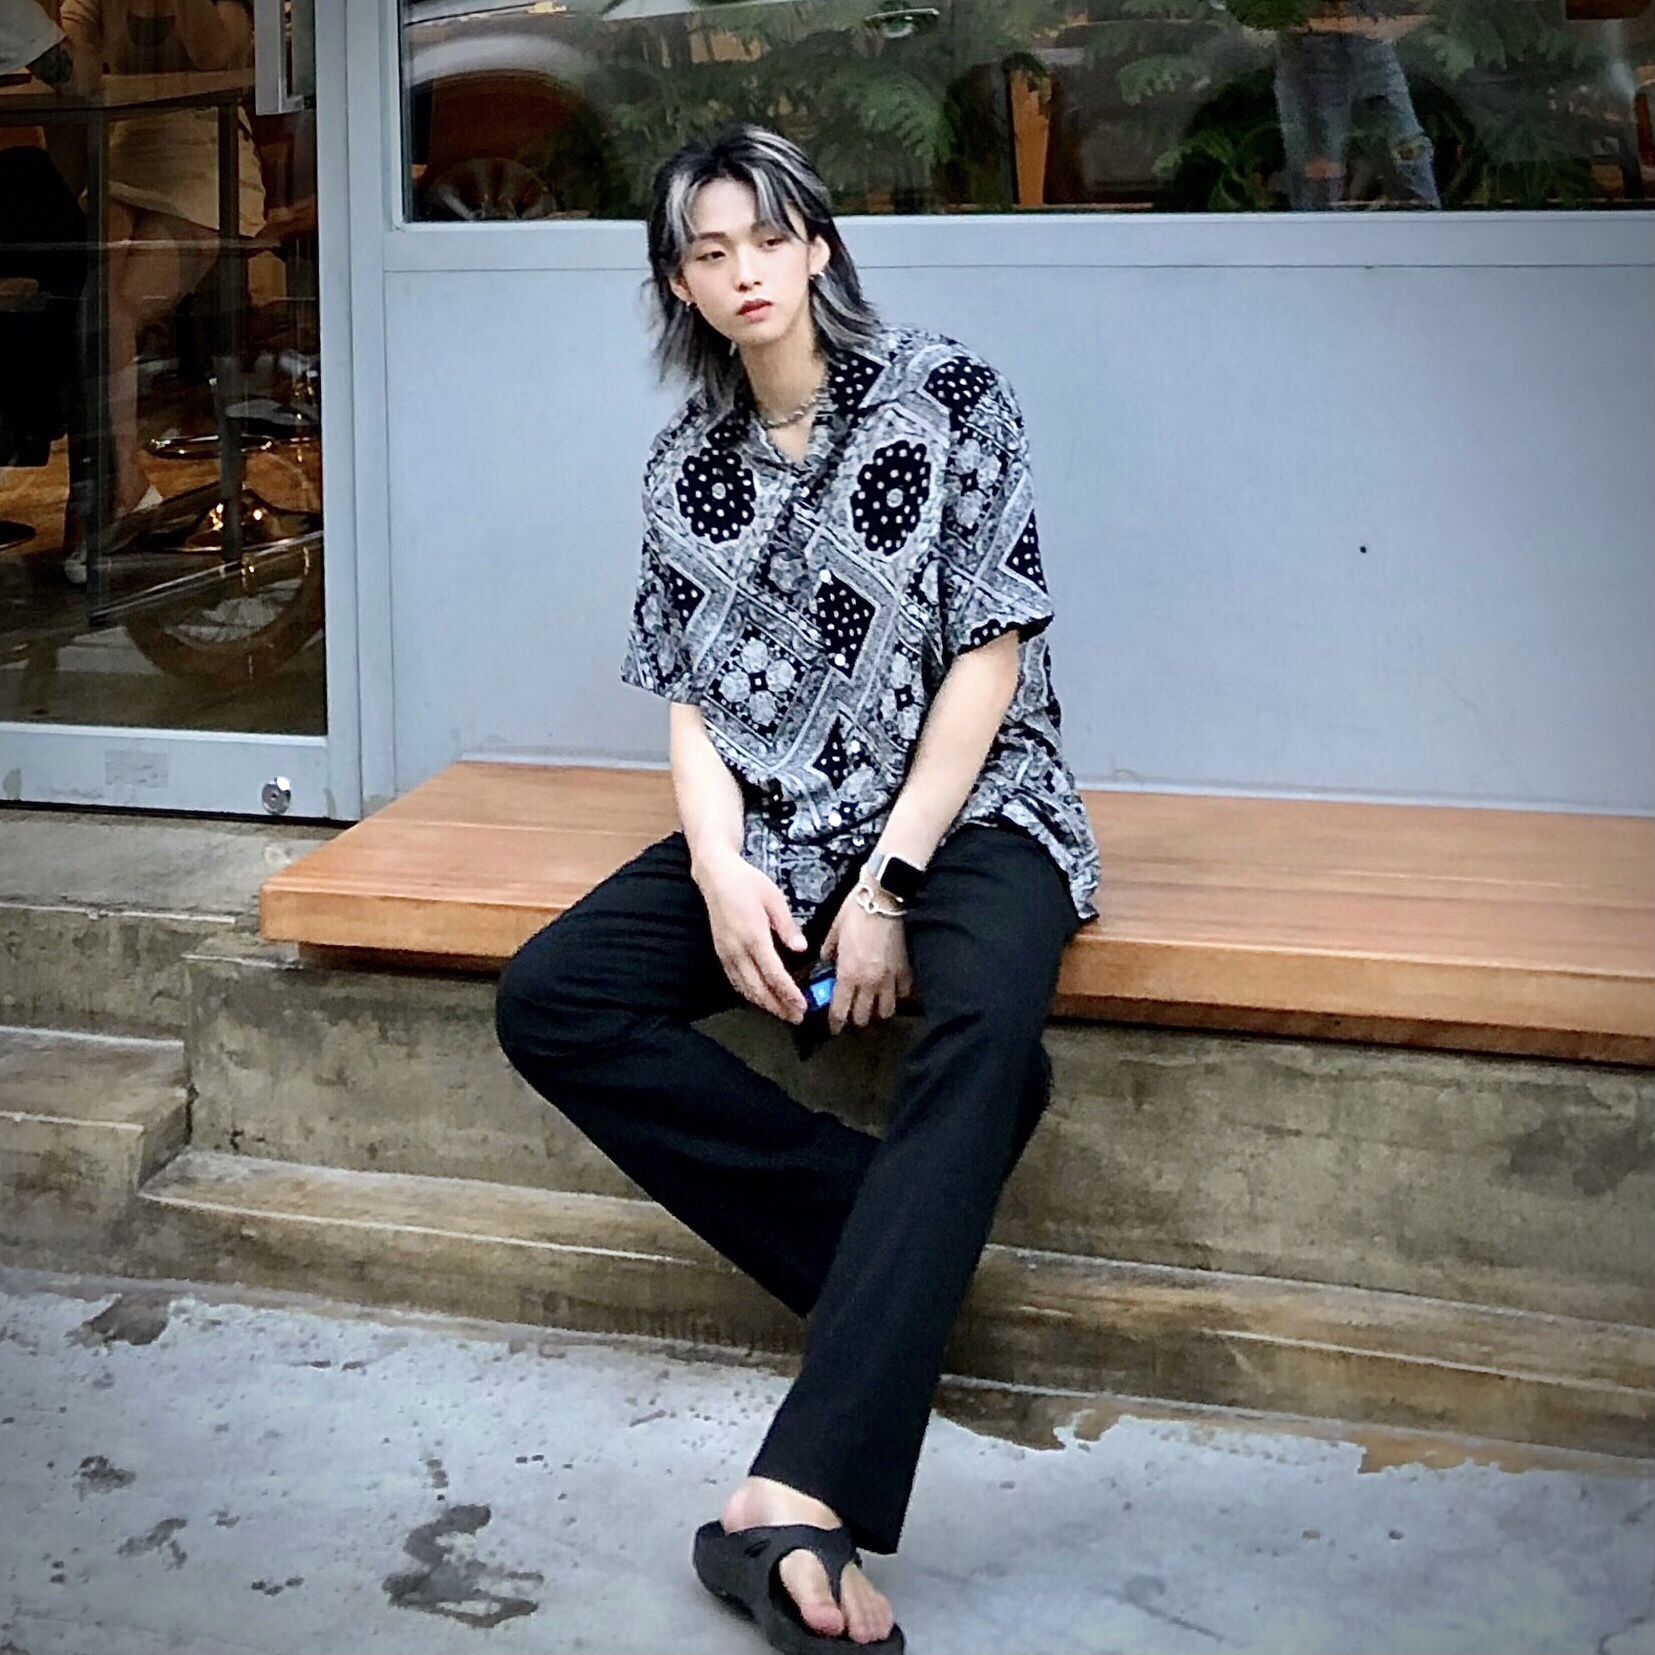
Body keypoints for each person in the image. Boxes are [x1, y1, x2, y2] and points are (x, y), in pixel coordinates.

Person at [495, 123, 1099, 1655]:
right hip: (777, 816)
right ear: (679, 285)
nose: (743, 271)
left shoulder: (947, 394)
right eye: (708, 252)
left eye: (766, 237)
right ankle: (894, 1234)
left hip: (971, 803)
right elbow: (692, 703)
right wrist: (714, 868)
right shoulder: (682, 467)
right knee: (552, 997)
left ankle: (790, 1493)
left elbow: (988, 653)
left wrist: (889, 880)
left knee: (986, 1027)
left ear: (816, 245)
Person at [57, 0, 264, 583]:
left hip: (205, 153)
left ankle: (113, 492)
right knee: (92, 293)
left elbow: (217, 54)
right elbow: (70, 66)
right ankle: (114, 490)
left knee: (113, 306)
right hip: (125, 152)